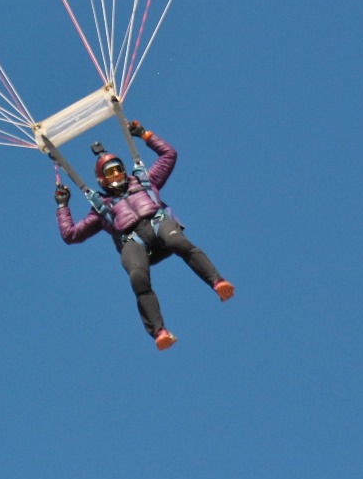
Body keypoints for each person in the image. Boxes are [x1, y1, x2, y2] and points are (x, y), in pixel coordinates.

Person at [54, 121, 234, 350]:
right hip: (133, 240)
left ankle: (218, 282)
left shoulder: (145, 181)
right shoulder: (101, 207)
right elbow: (71, 235)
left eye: (119, 168)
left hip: (158, 225)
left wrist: (144, 134)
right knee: (138, 278)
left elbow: (169, 154)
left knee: (178, 242)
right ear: (102, 180)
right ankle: (159, 331)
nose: (117, 173)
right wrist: (62, 206)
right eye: (110, 172)